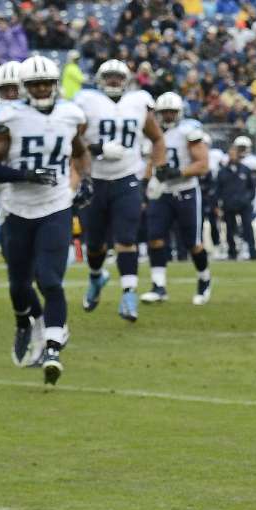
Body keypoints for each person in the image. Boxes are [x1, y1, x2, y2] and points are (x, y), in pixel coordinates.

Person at [0, 55, 89, 385]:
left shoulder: (71, 114)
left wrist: (84, 180)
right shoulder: (11, 117)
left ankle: (53, 346)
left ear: (55, 85)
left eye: (46, 83)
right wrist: (25, 174)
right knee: (19, 285)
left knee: (50, 280)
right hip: (18, 209)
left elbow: (79, 151)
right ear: (25, 88)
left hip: (55, 206)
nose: (41, 89)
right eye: (35, 84)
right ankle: (24, 322)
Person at [75, 59, 166, 322]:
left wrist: (156, 172)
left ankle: (129, 294)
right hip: (96, 179)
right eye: (109, 76)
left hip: (127, 178)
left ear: (126, 80)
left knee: (126, 238)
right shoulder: (88, 102)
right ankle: (96, 277)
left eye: (118, 77)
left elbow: (157, 138)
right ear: (100, 79)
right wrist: (97, 149)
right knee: (94, 245)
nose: (114, 81)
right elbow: (73, 139)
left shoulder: (138, 102)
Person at [141, 92, 213, 306]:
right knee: (155, 237)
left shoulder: (188, 130)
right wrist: (145, 183)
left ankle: (204, 279)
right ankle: (158, 286)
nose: (168, 116)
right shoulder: (153, 133)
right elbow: (150, 162)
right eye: (165, 112)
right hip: (161, 193)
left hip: (186, 192)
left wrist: (178, 173)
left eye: (172, 112)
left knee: (193, 244)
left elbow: (203, 164)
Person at [216, 138, 256, 261]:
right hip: (228, 204)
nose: (233, 156)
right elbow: (217, 189)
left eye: (235, 153)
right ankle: (232, 253)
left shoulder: (245, 169)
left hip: (243, 204)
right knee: (230, 230)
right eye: (231, 154)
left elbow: (252, 187)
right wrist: (218, 204)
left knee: (248, 228)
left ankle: (253, 253)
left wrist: (248, 199)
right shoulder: (222, 172)